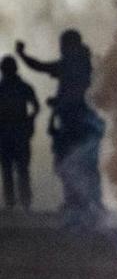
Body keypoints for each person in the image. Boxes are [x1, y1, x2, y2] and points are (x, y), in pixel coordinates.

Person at [16, 30, 105, 227]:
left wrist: (22, 55)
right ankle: (87, 203)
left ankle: (82, 203)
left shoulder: (73, 64)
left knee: (70, 162)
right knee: (82, 163)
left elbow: (41, 67)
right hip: (82, 121)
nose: (62, 48)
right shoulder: (87, 63)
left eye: (64, 44)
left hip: (77, 120)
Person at [0, 55, 39, 211]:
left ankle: (21, 201)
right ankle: (20, 202)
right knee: (15, 169)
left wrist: (29, 121)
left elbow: (35, 107)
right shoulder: (22, 87)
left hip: (14, 131)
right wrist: (29, 122)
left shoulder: (20, 87)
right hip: (12, 131)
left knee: (15, 169)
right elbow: (35, 107)